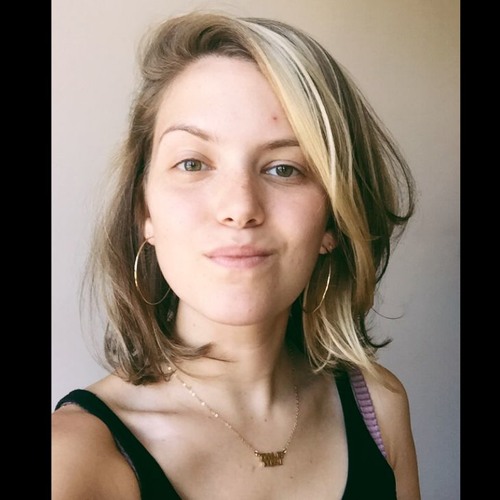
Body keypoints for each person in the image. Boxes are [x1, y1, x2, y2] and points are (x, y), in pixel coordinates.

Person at [52, 9, 421, 500]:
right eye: (193, 163)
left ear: (333, 219)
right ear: (144, 210)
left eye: (284, 168)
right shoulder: (72, 459)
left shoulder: (380, 406)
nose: (240, 208)